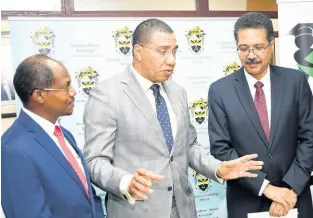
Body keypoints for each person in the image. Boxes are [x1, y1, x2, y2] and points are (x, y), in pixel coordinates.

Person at [83, 18, 263, 218]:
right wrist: (125, 181)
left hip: (184, 210)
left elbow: (189, 146)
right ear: (138, 52)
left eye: (174, 51)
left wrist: (218, 168)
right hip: (137, 210)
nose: (172, 60)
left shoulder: (177, 92)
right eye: (162, 51)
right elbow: (94, 161)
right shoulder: (107, 94)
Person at [209, 12, 313, 218]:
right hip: (246, 201)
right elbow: (221, 149)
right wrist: (267, 188)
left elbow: (309, 139)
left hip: (295, 198)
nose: (251, 55)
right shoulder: (220, 90)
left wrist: (289, 190)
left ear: (271, 45)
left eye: (258, 47)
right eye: (243, 48)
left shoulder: (296, 82)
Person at [1, 55, 104, 218]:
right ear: (39, 96)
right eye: (65, 87)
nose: (73, 92)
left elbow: (87, 194)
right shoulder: (14, 149)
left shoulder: (64, 134)